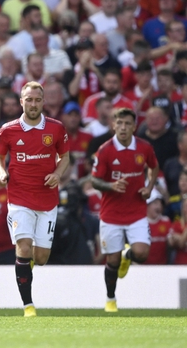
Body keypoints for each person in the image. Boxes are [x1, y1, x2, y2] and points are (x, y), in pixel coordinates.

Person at [0, 81, 70, 317]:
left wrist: (57, 174)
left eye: (37, 100)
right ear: (21, 101)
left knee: (41, 257)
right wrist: (2, 172)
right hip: (19, 198)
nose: (33, 104)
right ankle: (28, 305)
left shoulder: (56, 129)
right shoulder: (8, 130)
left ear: (43, 102)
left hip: (47, 201)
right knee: (23, 246)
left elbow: (65, 157)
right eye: (29, 99)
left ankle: (26, 269)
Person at [90, 108, 159, 313]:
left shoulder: (144, 148)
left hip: (136, 211)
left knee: (142, 253)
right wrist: (111, 186)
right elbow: (94, 180)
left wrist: (149, 187)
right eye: (119, 123)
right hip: (111, 214)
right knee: (112, 260)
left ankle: (127, 256)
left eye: (127, 124)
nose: (123, 127)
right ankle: (110, 299)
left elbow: (153, 167)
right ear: (113, 125)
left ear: (134, 126)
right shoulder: (105, 150)